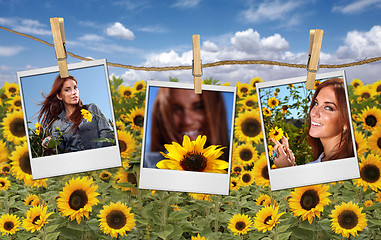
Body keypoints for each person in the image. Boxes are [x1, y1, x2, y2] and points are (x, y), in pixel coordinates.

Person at [270, 78, 354, 168]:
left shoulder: (349, 166)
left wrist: (285, 170)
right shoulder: (317, 164)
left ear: (346, 121)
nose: (313, 113)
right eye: (316, 103)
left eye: (328, 108)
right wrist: (291, 165)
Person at [144, 87, 229, 168]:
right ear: (161, 115)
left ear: (216, 110)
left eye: (198, 107)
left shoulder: (236, 166)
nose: (187, 121)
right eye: (176, 109)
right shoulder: (147, 164)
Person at [39, 75, 114, 154]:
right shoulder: (57, 124)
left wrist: (97, 155)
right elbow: (59, 151)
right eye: (67, 90)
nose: (74, 92)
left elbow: (107, 133)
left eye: (75, 88)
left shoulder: (92, 109)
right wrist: (49, 144)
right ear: (59, 96)